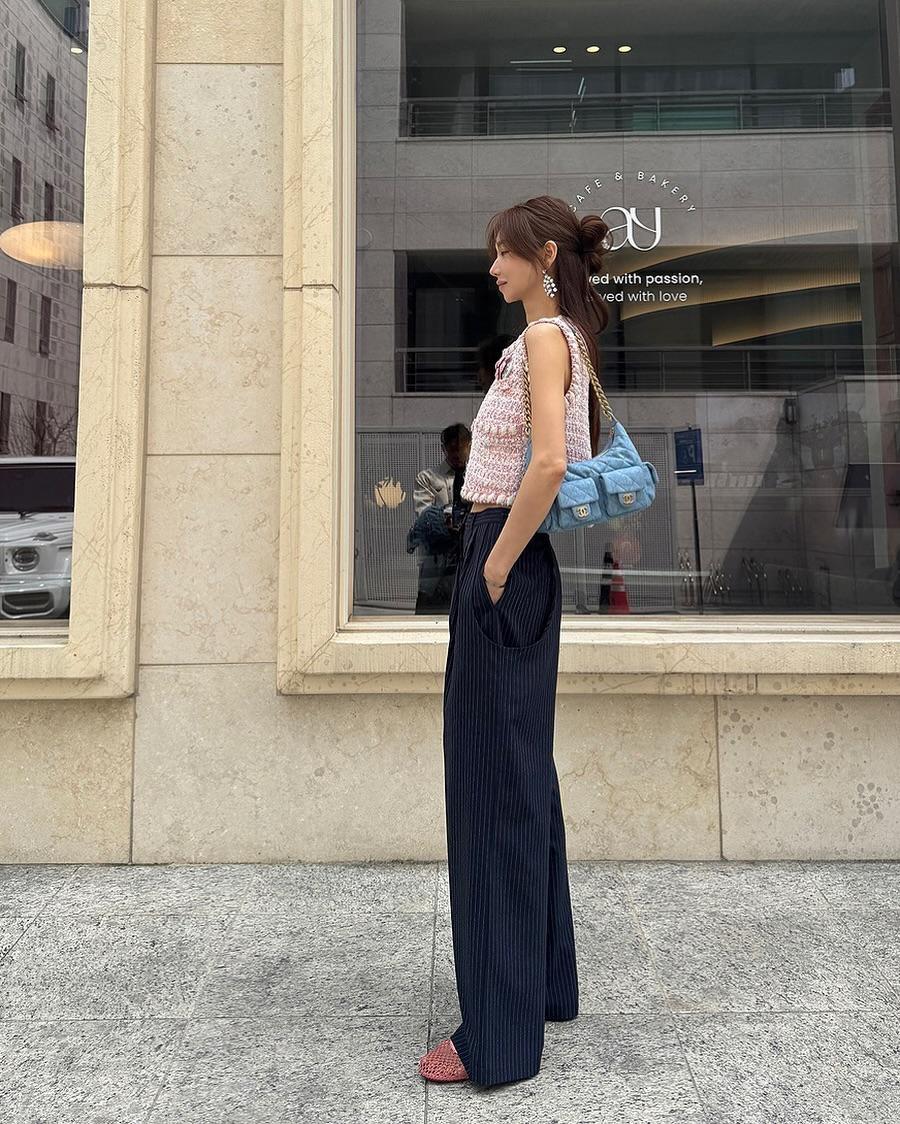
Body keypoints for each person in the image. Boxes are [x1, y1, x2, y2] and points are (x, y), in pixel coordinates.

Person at [418, 195, 613, 1086]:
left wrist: (493, 567)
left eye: (505, 251)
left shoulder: (542, 338)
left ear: (544, 257)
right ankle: (543, 986)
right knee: (522, 776)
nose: (493, 266)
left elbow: (549, 462)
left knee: (492, 789)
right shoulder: (565, 337)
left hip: (505, 557)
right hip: (518, 561)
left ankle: (496, 1036)